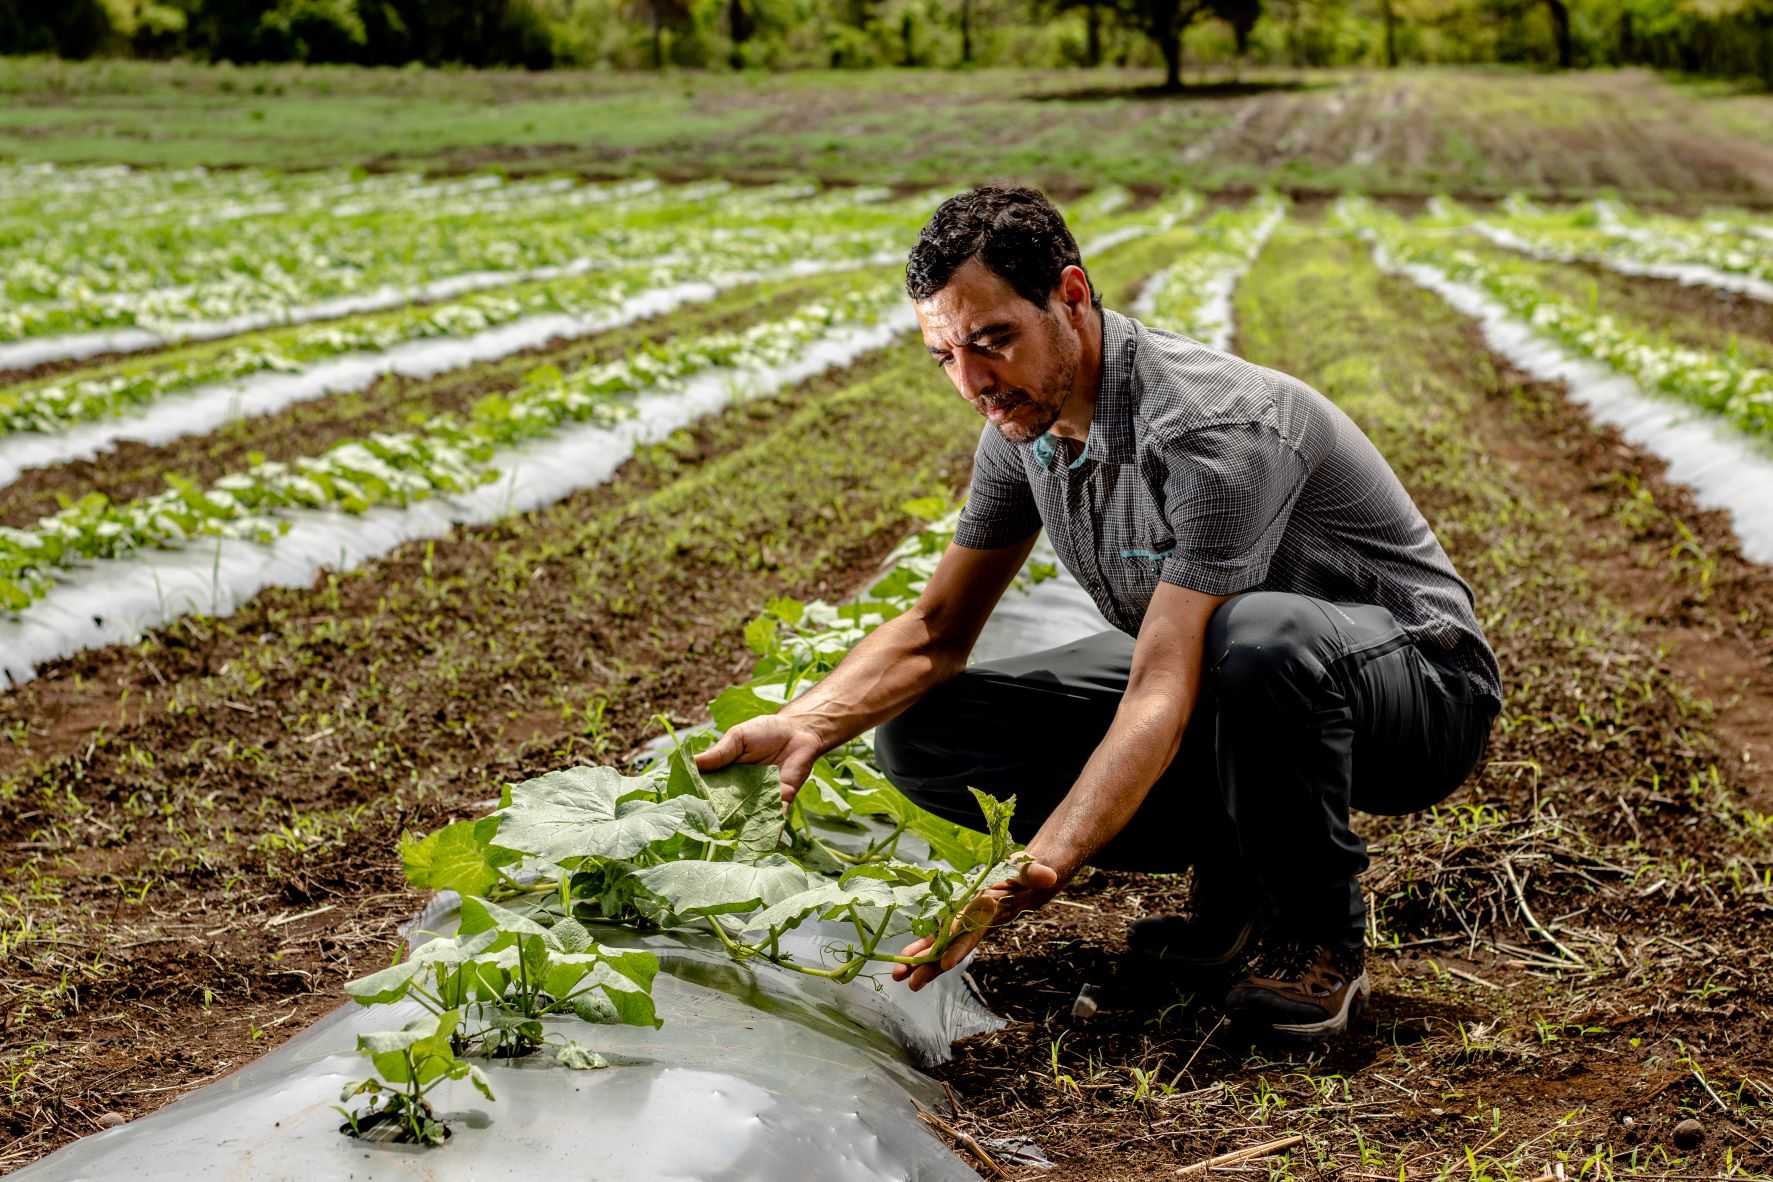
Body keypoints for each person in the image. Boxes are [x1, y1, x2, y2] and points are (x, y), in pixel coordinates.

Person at [695, 184, 1502, 1040]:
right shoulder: (1024, 430)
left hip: (1413, 689)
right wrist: (808, 721)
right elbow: (936, 630)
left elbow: (1162, 680)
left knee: (1257, 637)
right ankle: (1230, 906)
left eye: (991, 340)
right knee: (920, 730)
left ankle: (1314, 939)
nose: (972, 382)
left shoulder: (1210, 431)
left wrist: (1044, 862)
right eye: (945, 356)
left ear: (1071, 298)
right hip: (1233, 683)